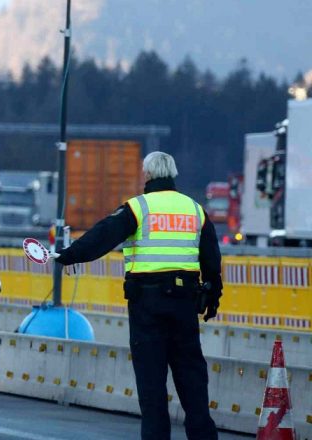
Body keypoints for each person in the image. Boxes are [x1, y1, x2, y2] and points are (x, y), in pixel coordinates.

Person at [53, 151, 221, 440]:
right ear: (173, 174)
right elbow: (211, 260)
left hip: (148, 307)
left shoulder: (138, 208)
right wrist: (213, 297)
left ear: (147, 175)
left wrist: (68, 256)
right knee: (192, 380)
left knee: (152, 386)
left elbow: (102, 237)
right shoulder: (195, 210)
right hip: (184, 305)